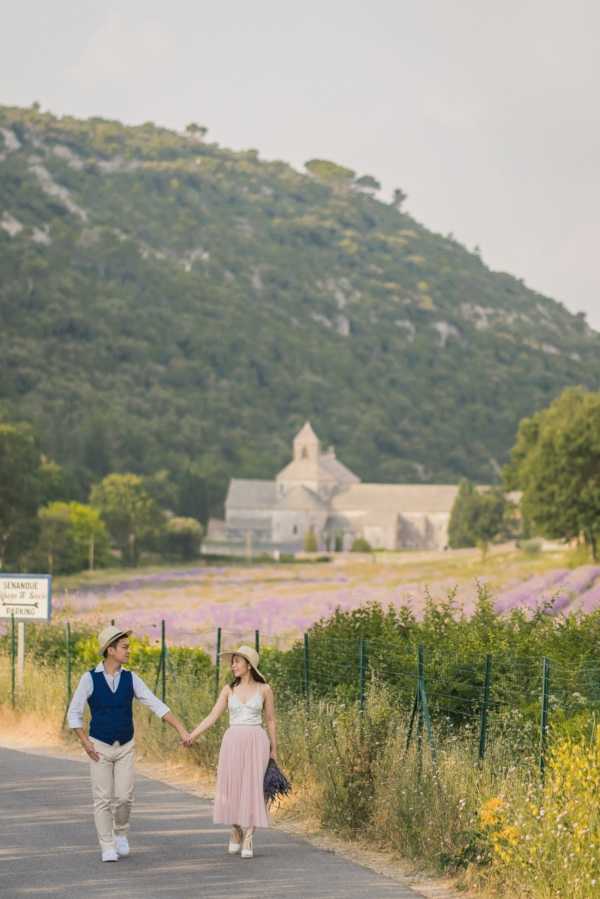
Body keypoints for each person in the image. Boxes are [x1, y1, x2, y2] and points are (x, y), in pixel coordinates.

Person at [67, 624, 190, 862]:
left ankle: (120, 832)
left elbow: (156, 704)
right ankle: (107, 846)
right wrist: (85, 742)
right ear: (110, 650)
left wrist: (181, 729)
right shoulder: (89, 679)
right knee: (102, 798)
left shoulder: (131, 678)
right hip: (99, 746)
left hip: (125, 746)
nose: (129, 651)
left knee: (124, 796)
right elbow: (74, 714)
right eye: (124, 647)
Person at [184, 644, 277, 859]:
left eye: (237, 661)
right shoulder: (228, 689)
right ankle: (236, 829)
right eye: (232, 661)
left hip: (257, 741)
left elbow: (271, 720)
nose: (233, 665)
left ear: (249, 665)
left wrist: (274, 749)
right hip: (233, 741)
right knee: (232, 785)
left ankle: (249, 835)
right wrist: (192, 735)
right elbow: (212, 716)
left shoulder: (264, 689)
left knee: (254, 786)